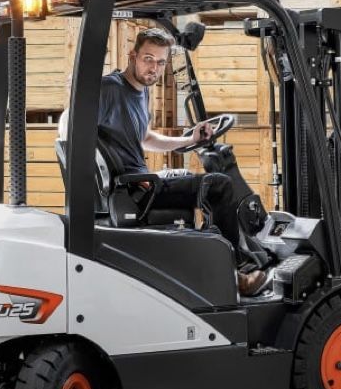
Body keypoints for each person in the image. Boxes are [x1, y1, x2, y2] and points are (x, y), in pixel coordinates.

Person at [94, 28, 268, 296]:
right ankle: (237, 271)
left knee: (187, 175)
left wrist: (188, 140)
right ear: (133, 56)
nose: (154, 67)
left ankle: (206, 258)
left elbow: (145, 138)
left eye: (161, 62)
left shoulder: (140, 91)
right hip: (136, 190)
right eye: (148, 59)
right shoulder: (110, 89)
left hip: (139, 183)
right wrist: (117, 176)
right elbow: (69, 123)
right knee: (219, 185)